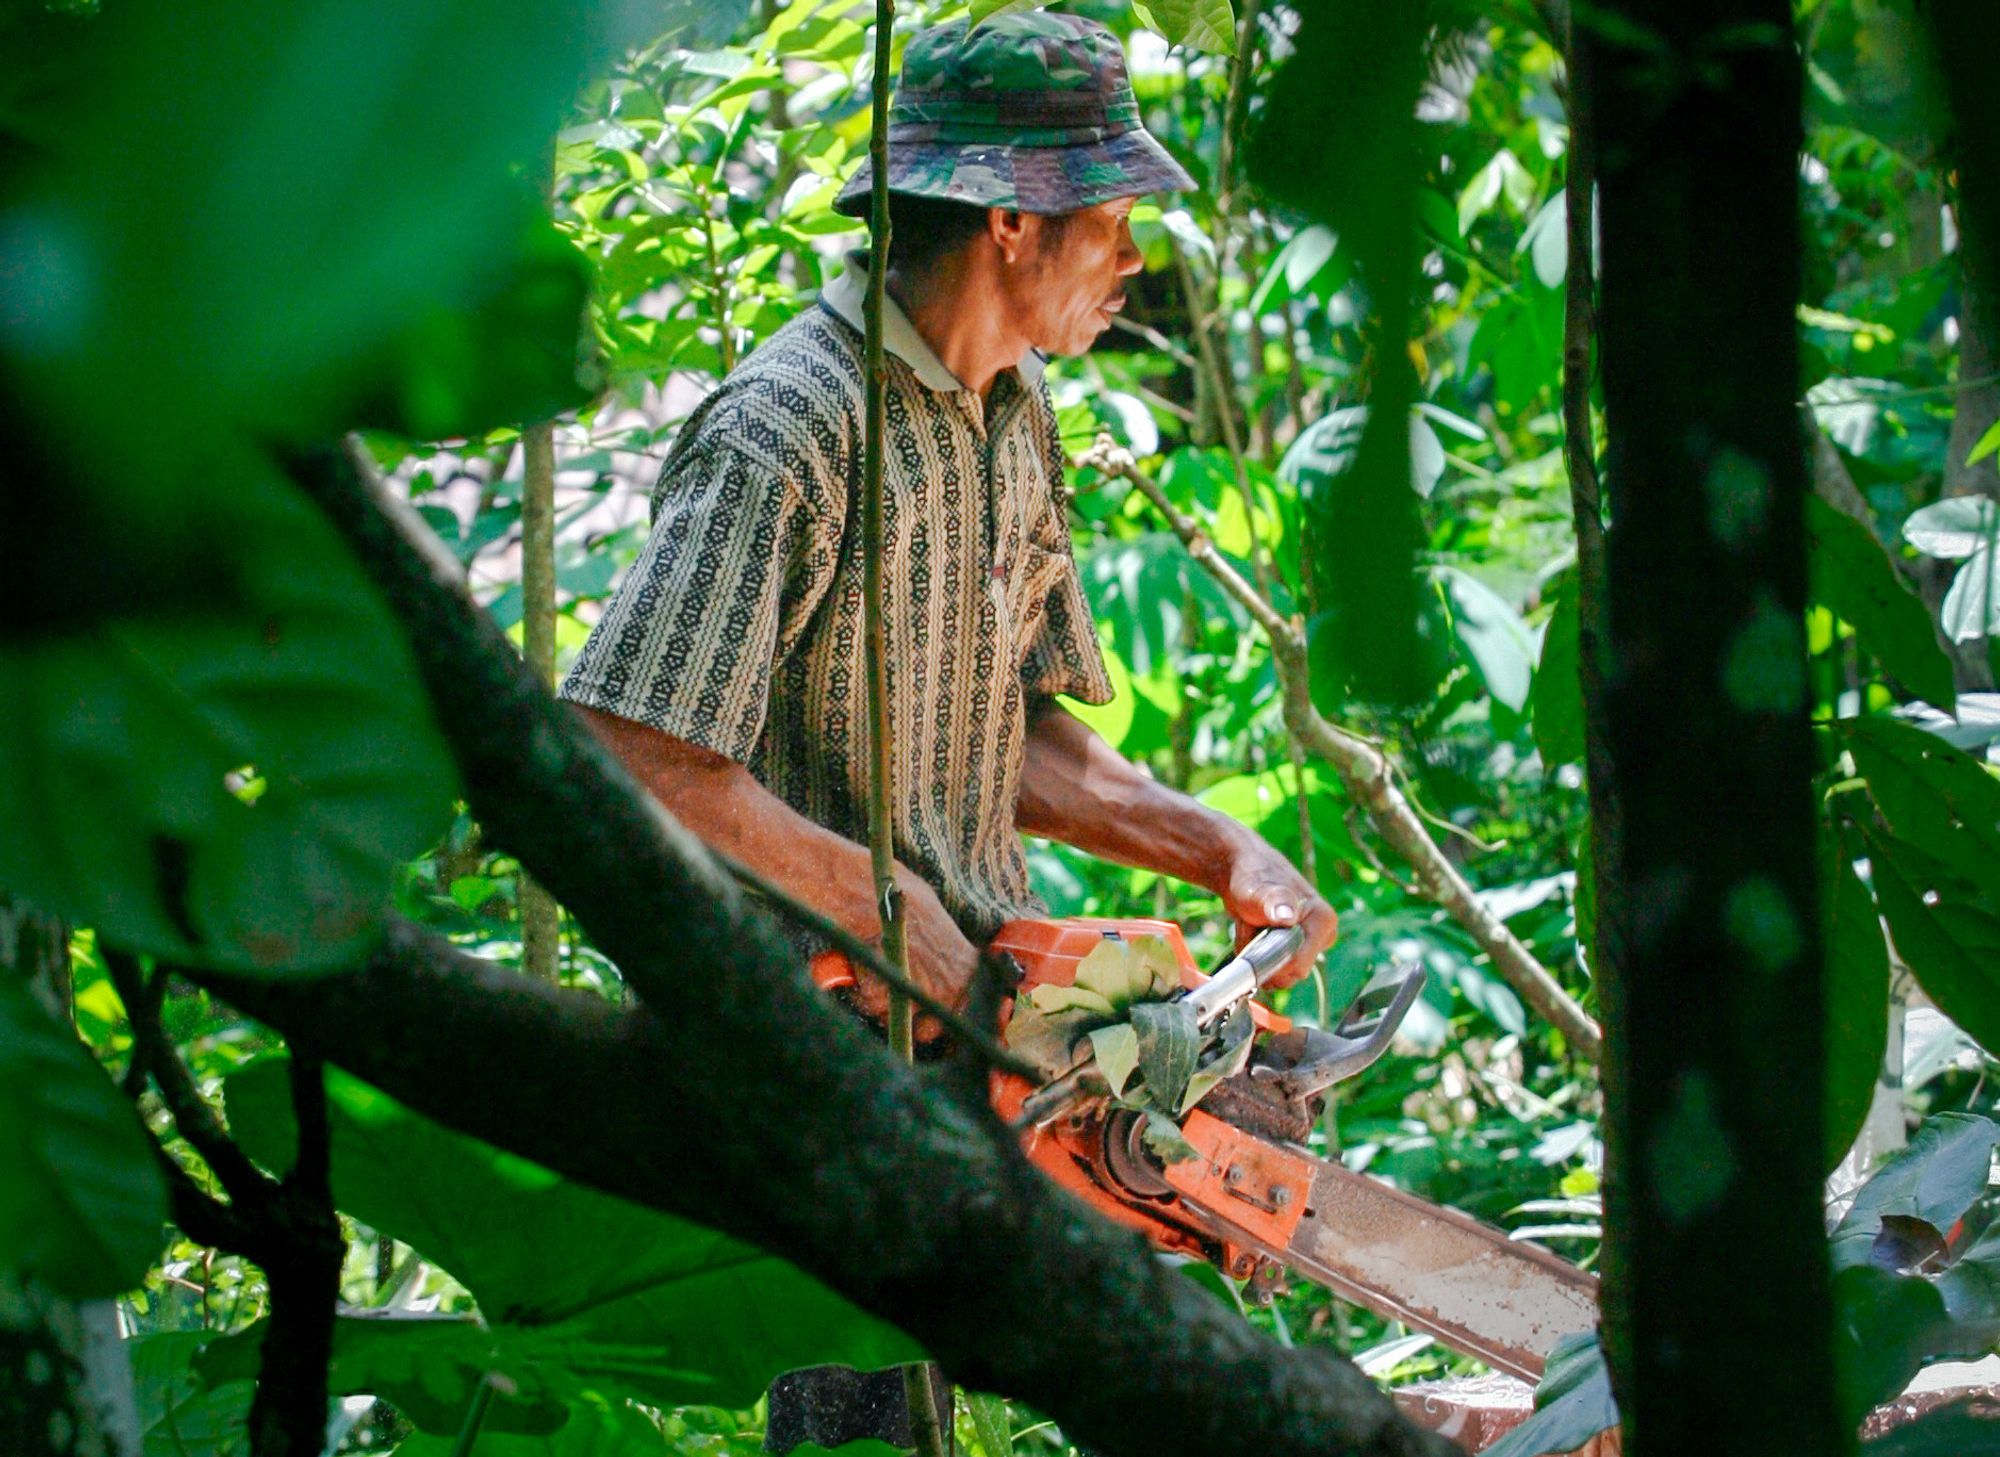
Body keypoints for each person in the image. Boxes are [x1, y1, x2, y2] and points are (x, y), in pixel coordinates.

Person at [558, 12, 1335, 1031]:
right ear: (1010, 220)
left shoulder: (1016, 407)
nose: (1134, 259)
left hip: (972, 1006)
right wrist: (873, 901)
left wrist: (1220, 847)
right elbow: (623, 743)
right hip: (787, 1033)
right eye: (1112, 221)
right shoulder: (786, 427)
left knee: (1248, 1118)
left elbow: (1005, 734)